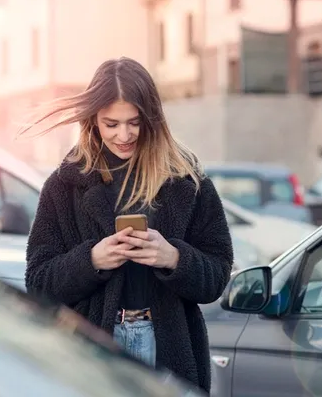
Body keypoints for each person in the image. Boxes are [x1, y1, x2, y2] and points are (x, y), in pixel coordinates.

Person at [24, 57, 233, 393]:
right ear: (93, 121)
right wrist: (91, 261)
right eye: (111, 124)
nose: (124, 135)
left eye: (134, 122)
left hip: (168, 347)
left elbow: (217, 276)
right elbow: (38, 283)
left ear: (152, 119)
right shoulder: (64, 185)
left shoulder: (186, 180)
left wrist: (174, 258)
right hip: (93, 350)